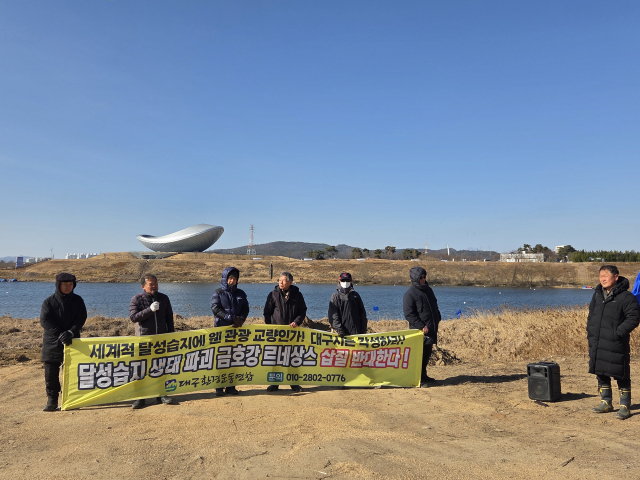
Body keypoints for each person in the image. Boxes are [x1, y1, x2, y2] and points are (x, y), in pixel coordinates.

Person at [587, 265, 640, 420]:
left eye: (606, 275)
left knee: (621, 373)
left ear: (616, 277)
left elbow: (633, 319)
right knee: (600, 371)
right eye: (600, 276)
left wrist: (617, 333)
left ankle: (625, 406)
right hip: (597, 340)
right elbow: (592, 315)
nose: (602, 279)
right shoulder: (597, 295)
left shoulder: (626, 297)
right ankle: (606, 402)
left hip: (616, 342)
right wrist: (590, 332)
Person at [40, 272, 87, 411]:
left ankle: (71, 398)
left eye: (70, 284)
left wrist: (71, 332)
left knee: (72, 371)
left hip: (73, 341)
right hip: (52, 341)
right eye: (65, 285)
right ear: (58, 285)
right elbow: (45, 320)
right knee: (51, 372)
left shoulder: (78, 300)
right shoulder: (48, 302)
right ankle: (52, 399)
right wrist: (60, 333)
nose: (68, 287)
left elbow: (81, 318)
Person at [129, 274, 175, 409]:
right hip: (143, 339)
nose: (154, 286)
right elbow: (133, 317)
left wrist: (170, 334)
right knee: (141, 369)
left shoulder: (164, 298)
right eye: (151, 284)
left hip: (161, 339)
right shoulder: (136, 299)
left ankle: (161, 394)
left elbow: (169, 317)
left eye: (156, 283)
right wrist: (150, 310)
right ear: (143, 286)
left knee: (161, 367)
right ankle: (140, 397)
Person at [263, 271, 307, 392]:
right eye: (279, 280)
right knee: (276, 358)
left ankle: (294, 384)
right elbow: (267, 312)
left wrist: (297, 322)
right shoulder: (273, 294)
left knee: (293, 358)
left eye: (283, 280)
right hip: (277, 333)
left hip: (292, 333)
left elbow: (302, 311)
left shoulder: (298, 295)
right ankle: (274, 383)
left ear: (290, 282)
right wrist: (271, 326)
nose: (280, 282)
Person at [211, 267, 249, 396]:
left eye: (234, 278)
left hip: (236, 331)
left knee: (234, 358)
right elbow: (215, 309)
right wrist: (230, 318)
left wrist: (241, 320)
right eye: (230, 278)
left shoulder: (241, 293)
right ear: (225, 279)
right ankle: (219, 387)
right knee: (221, 358)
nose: (232, 280)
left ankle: (231, 386)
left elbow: (245, 308)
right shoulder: (218, 293)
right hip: (222, 329)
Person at [403, 266, 442, 387]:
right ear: (415, 278)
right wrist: (421, 326)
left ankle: (424, 375)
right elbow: (409, 314)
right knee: (418, 355)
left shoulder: (429, 290)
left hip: (431, 327)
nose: (423, 279)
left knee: (427, 353)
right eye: (421, 277)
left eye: (424, 277)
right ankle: (418, 379)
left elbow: (435, 305)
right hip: (419, 330)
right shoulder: (409, 294)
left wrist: (438, 317)